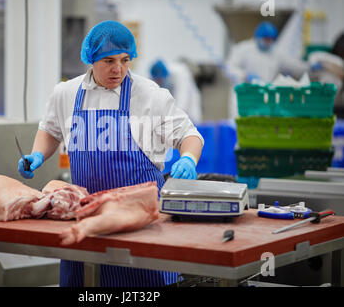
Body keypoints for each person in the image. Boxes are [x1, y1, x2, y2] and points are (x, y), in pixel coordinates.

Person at [17, 20, 204, 287]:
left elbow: (190, 136)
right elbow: (50, 129)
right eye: (108, 61)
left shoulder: (151, 95)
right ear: (91, 59)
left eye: (125, 60)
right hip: (85, 216)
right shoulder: (66, 93)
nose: (118, 69)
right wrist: (37, 155)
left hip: (140, 223)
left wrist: (188, 157)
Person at [227, 21, 309, 118]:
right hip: (243, 95)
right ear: (257, 37)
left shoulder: (276, 53)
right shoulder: (243, 49)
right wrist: (244, 75)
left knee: (261, 126)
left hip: (265, 96)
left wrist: (309, 67)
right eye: (265, 39)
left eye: (270, 40)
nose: (267, 42)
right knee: (240, 123)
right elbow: (229, 68)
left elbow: (294, 66)